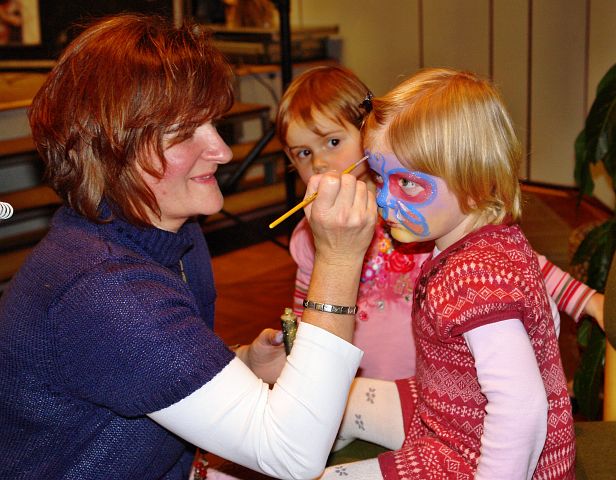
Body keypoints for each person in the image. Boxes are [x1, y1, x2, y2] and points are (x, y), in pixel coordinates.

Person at [0, 14, 377, 480]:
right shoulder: (103, 290)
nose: (222, 151)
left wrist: (237, 362)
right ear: (112, 148)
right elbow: (290, 454)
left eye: (213, 124)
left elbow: (140, 367)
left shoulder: (175, 233)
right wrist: (338, 259)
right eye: (183, 134)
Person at [319, 68, 577, 479]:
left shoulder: (475, 278)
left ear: (474, 185)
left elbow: (522, 408)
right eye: (381, 178)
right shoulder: (497, 239)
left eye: (407, 184)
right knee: (336, 397)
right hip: (448, 410)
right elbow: (547, 319)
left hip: (468, 458)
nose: (384, 200)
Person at [276, 64, 605, 381]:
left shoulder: (422, 211)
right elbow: (309, 311)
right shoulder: (310, 234)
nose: (319, 163)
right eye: (303, 153)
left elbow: (513, 267)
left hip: (432, 387)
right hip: (353, 386)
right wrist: (297, 353)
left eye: (332, 142)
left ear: (366, 132)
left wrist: (588, 301)